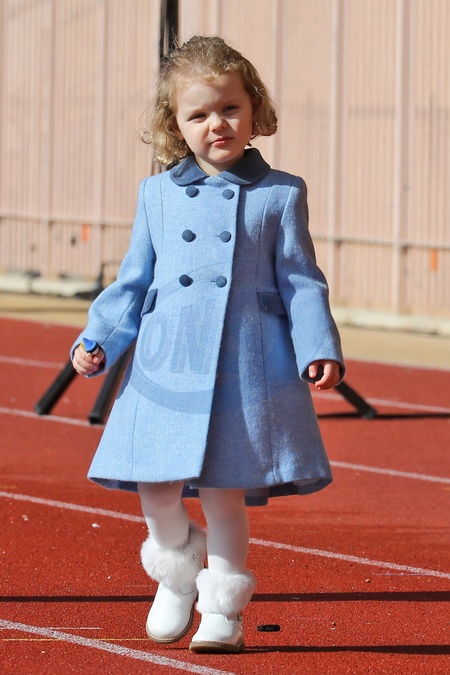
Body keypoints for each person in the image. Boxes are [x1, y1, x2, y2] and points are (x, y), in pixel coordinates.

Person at [71, 35, 345, 654]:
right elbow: (134, 280)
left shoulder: (281, 193)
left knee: (223, 491)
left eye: (229, 108)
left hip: (243, 362)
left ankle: (223, 607)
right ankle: (176, 569)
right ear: (175, 125)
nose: (216, 123)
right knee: (155, 485)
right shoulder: (157, 195)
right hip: (166, 363)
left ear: (254, 111)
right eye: (198, 114)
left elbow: (301, 281)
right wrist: (100, 339)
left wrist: (317, 346)